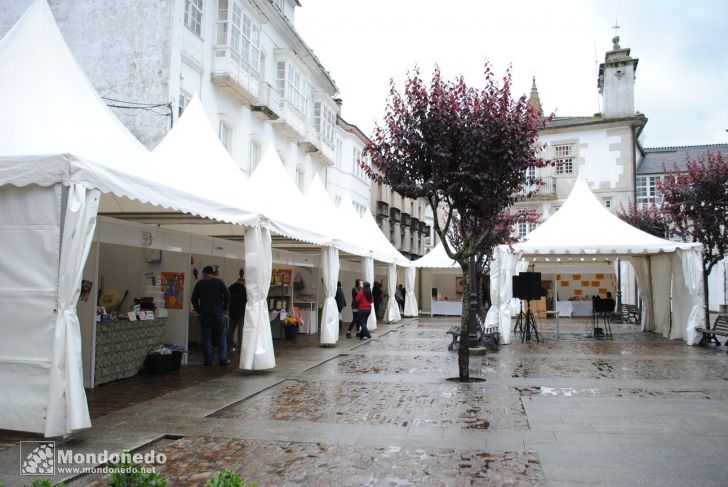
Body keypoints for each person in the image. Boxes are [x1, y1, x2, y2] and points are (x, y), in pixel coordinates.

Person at [191, 266, 231, 366]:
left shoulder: (200, 283)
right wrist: (224, 307)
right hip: (218, 313)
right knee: (221, 336)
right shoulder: (219, 282)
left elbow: (193, 299)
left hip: (205, 315)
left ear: (204, 273)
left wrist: (199, 310)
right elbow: (228, 296)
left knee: (206, 337)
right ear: (212, 273)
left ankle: (208, 360)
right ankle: (223, 359)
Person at [227, 274, 247, 354]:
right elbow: (247, 301)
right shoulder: (245, 290)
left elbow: (227, 299)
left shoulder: (230, 288)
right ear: (243, 282)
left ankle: (230, 347)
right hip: (241, 313)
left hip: (232, 312)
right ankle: (240, 349)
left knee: (230, 331)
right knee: (240, 332)